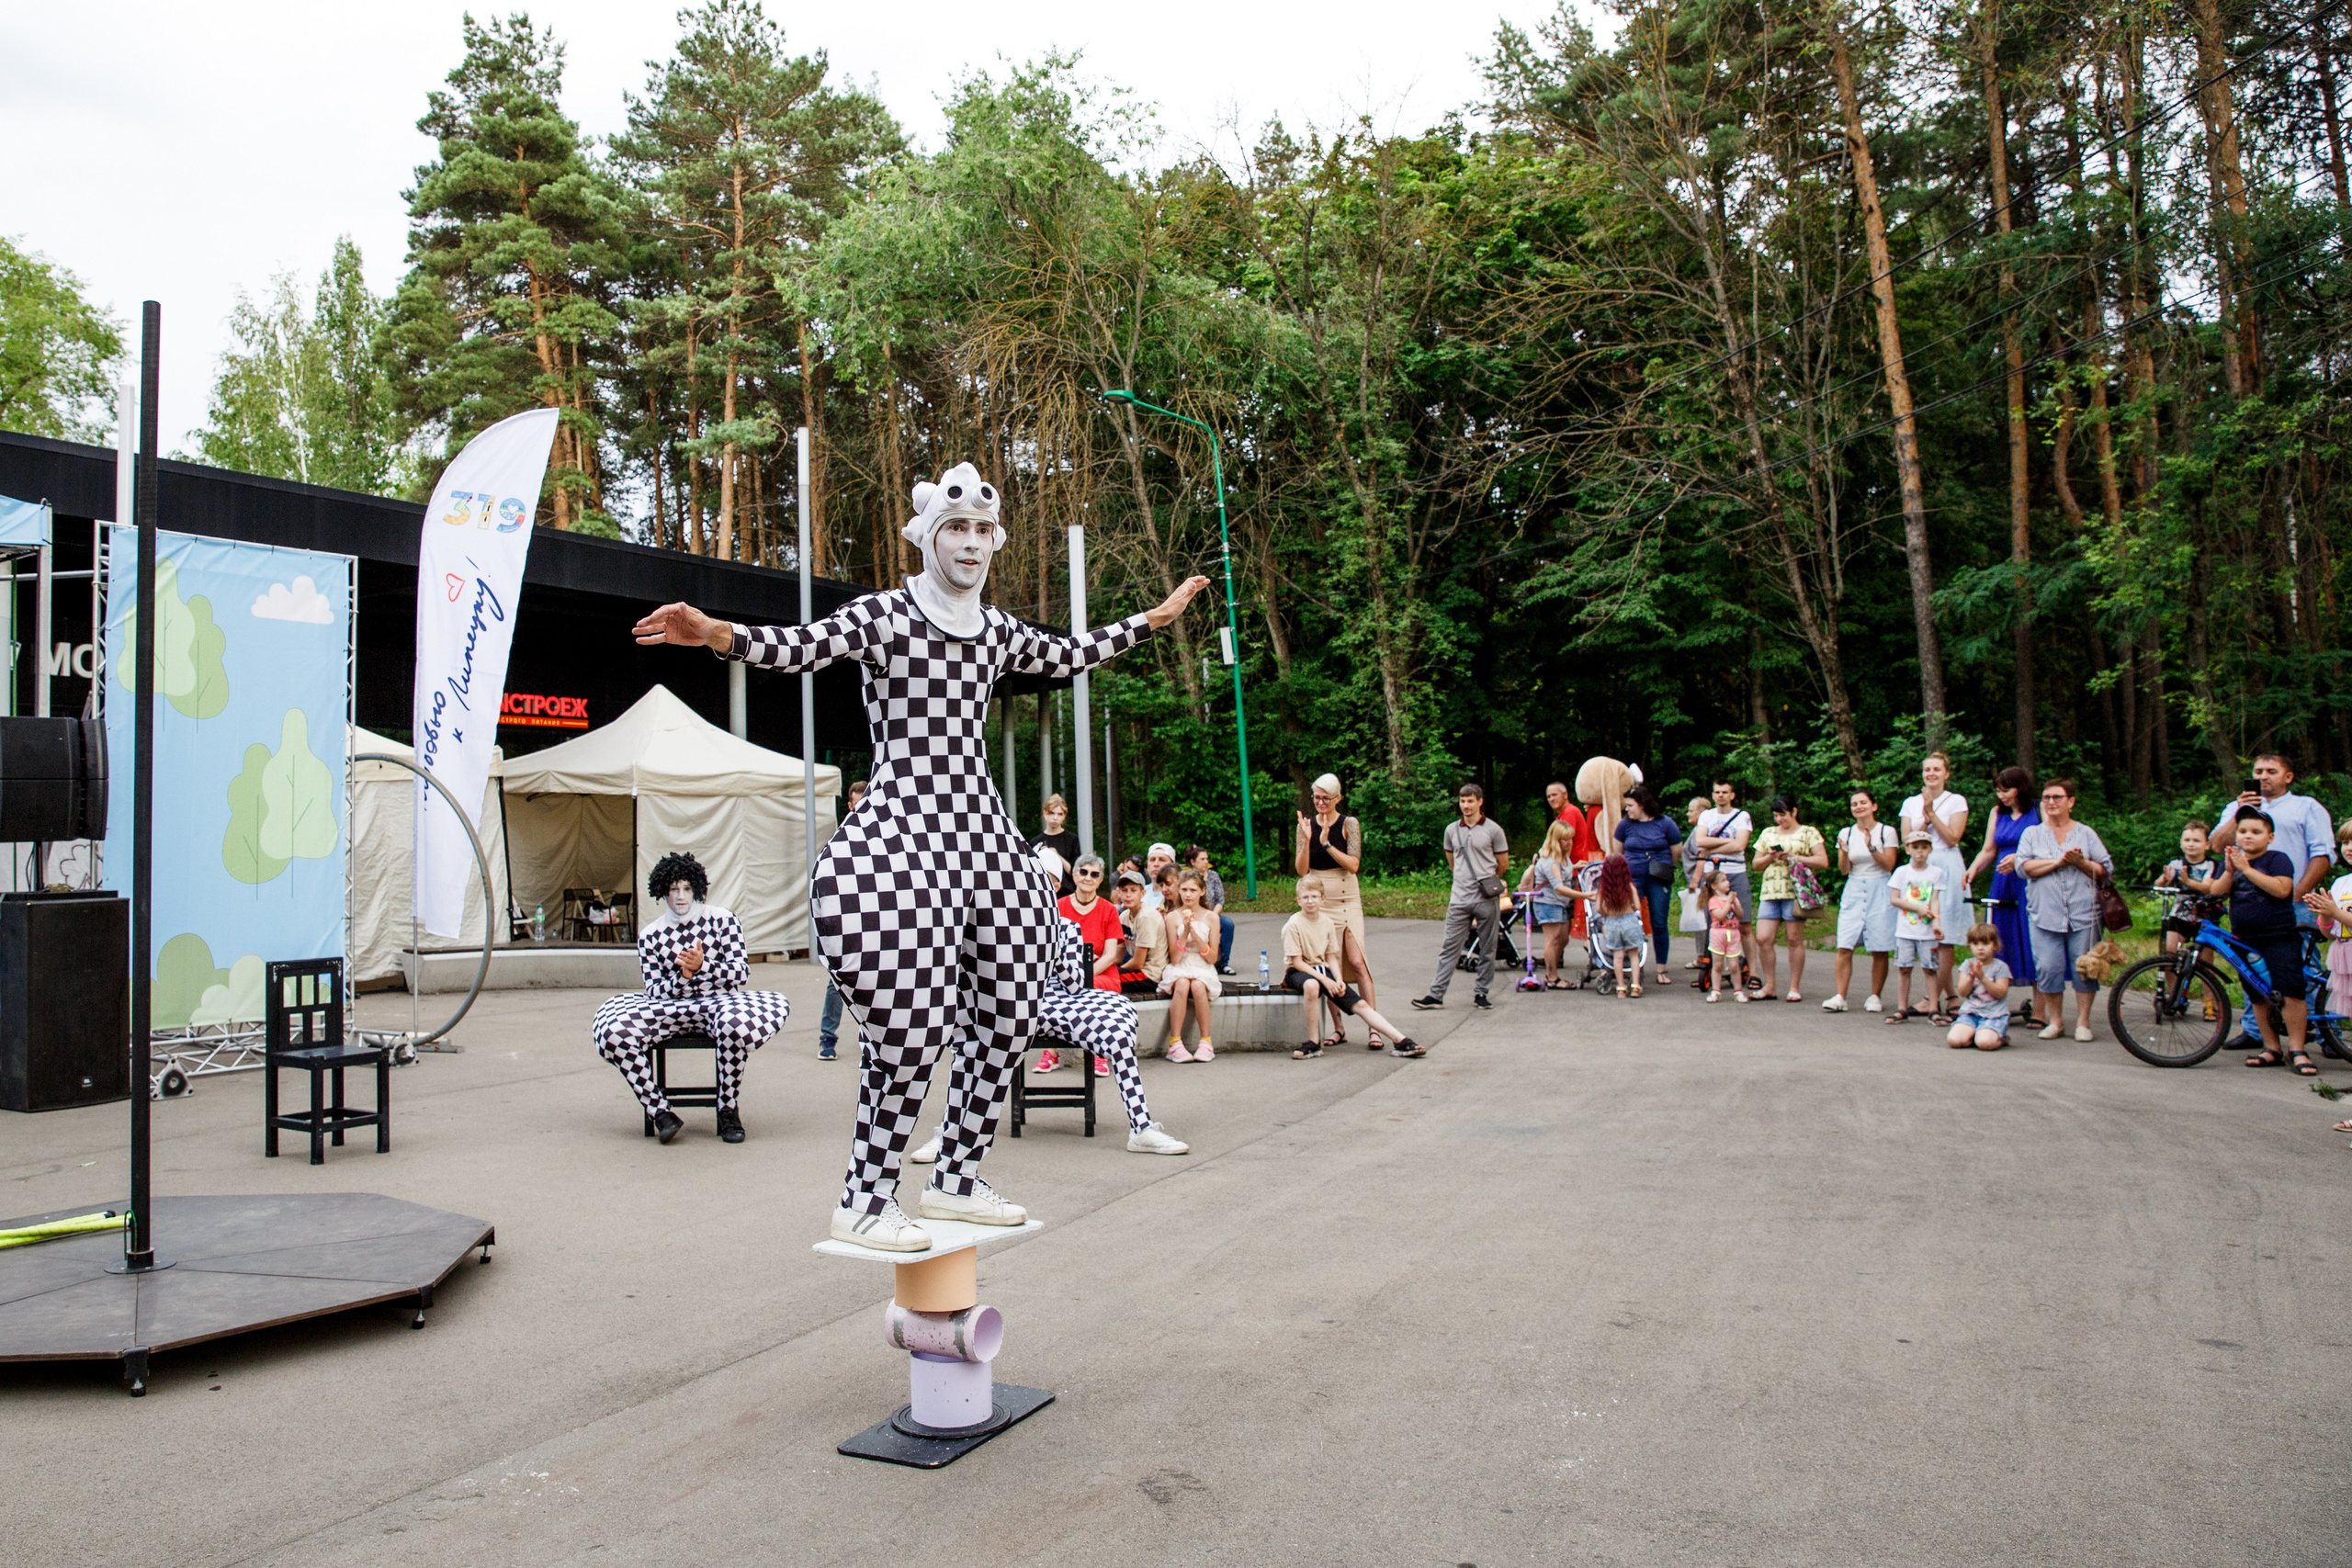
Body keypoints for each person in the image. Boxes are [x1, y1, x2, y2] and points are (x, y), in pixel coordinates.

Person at [633, 460, 1208, 1251]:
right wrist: (719, 635)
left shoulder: (999, 630)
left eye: (982, 531)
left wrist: (1156, 616)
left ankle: (956, 1176)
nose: (971, 544)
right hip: (903, 833)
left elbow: (1072, 651)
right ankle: (866, 1197)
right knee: (911, 1026)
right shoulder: (886, 615)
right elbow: (799, 647)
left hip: (978, 832)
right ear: (929, 536)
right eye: (956, 529)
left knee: (1011, 1008)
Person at [905, 916, 1191, 1161]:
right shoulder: (997, 927)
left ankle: (1141, 1127)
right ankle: (949, 1133)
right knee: (970, 1038)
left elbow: (1076, 984)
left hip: (1064, 1002)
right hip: (1011, 1001)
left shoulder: (1065, 927)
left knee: (1118, 1019)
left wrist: (1054, 949)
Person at [591, 852, 790, 1144]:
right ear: (663, 892)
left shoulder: (723, 921)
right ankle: (660, 1112)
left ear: (696, 888)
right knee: (614, 1032)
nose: (680, 896)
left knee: (734, 1026)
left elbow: (740, 974)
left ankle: (727, 1110)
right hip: (670, 1009)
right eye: (673, 889)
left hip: (719, 1004)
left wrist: (703, 966)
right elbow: (655, 991)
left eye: (686, 888)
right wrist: (683, 976)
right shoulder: (650, 935)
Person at [2200, 808, 2311, 1072]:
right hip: (2245, 939)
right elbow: (2216, 893)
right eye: (2243, 831)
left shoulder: (2277, 859)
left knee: (2290, 991)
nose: (2247, 836)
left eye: (2256, 832)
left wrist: (2245, 869)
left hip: (2279, 935)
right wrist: (2229, 872)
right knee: (2257, 994)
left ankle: (2298, 1049)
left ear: (2270, 837)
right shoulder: (2234, 862)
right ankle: (2271, 1048)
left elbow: (2282, 889)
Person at [2012, 779, 2115, 1043]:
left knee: (2085, 967)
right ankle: (2055, 1021)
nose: (2051, 802)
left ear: (2071, 801)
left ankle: (2083, 1022)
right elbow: (2023, 868)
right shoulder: (2032, 834)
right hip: (2043, 913)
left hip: (2084, 913)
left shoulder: (2086, 833)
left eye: (2057, 797)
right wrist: (2058, 861)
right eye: (2046, 797)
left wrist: (2081, 863)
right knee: (2048, 967)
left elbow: (2105, 870)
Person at [1283, 874, 1419, 1056]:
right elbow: (1297, 962)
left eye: (1314, 897)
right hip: (1299, 971)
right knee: (1312, 985)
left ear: (1323, 899)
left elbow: (1331, 956)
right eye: (1305, 897)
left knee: (1360, 1005)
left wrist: (1338, 979)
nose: (1310, 901)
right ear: (1298, 900)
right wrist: (1325, 980)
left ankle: (1401, 1040)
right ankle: (1313, 1042)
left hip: (1323, 970)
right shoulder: (1293, 924)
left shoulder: (1327, 923)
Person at [1411, 783, 1510, 1010]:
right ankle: (1436, 994)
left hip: (1485, 897)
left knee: (1488, 946)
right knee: (1449, 947)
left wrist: (1488, 880)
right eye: (1463, 801)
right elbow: (1452, 861)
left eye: (1470, 801)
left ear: (1479, 802)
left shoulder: (1493, 830)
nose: (1466, 806)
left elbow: (1502, 863)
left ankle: (1482, 993)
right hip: (1459, 897)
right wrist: (1463, 878)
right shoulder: (1451, 830)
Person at [1966, 767, 2041, 1024]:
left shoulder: (2037, 811)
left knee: (2032, 941)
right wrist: (1973, 869)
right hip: (2003, 881)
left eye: (2006, 789)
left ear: (2020, 787)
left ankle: (2040, 1011)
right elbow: (1989, 849)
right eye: (1998, 790)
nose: (2002, 795)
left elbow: (2048, 847)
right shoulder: (1997, 813)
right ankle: (1993, 1004)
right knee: (1999, 941)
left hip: (2029, 880)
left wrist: (2021, 858)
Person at [1296, 774, 1378, 1006]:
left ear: (1338, 798)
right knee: (1326, 965)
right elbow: (1302, 870)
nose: (1321, 803)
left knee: (1357, 961)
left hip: (1346, 899)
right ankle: (1338, 1028)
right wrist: (1306, 840)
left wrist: (1326, 844)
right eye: (1317, 798)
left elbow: (1353, 865)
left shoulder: (1348, 823)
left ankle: (1373, 1024)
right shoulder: (1305, 825)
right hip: (1319, 898)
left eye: (1326, 798)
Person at [1901, 752, 1973, 1011]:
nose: (1931, 774)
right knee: (1923, 932)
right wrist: (1924, 816)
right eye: (1927, 770)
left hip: (1947, 864)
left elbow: (1952, 837)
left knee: (1945, 933)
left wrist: (1932, 812)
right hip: (1921, 867)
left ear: (1946, 773)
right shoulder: (1910, 803)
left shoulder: (1956, 801)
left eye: (1936, 770)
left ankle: (1931, 998)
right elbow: (1908, 839)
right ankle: (1951, 996)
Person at [1041, 853, 1125, 1076]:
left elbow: (1110, 955)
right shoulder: (1059, 906)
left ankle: (1099, 1053)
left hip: (1101, 974)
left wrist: (1083, 976)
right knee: (1052, 991)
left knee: (1091, 989)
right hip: (1064, 974)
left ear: (1101, 879)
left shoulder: (1109, 910)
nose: (1088, 878)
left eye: (1095, 874)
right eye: (1084, 872)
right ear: (1075, 875)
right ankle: (1050, 1052)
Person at [1826, 788, 1899, 1013]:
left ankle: (1875, 996)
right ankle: (1840, 995)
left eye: (1863, 803)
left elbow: (1889, 865)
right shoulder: (1846, 833)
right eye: (1854, 804)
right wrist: (1845, 853)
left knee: (1879, 946)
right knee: (1844, 945)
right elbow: (1843, 870)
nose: (1858, 807)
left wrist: (1871, 847)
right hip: (1855, 888)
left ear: (1873, 806)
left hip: (1880, 887)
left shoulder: (1886, 831)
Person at [1751, 794, 1827, 1002]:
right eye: (1776, 816)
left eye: (1782, 815)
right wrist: (1771, 857)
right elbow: (1756, 864)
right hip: (1770, 891)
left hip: (1795, 891)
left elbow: (1822, 861)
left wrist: (1795, 858)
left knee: (1794, 939)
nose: (1779, 820)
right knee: (1763, 938)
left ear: (1794, 811)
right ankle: (1770, 985)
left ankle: (1794, 986)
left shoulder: (1808, 832)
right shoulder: (1768, 833)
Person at [815, 778, 868, 1060]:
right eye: (857, 806)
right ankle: (827, 1038)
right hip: (847, 919)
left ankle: (877, 1040)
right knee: (837, 980)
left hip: (876, 919)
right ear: (849, 806)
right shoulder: (838, 843)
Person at [1614, 784, 1683, 989]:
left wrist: (1666, 866)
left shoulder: (1665, 823)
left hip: (1658, 878)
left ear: (1643, 805)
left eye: (1630, 805)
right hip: (1632, 879)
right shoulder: (1625, 825)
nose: (1627, 809)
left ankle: (1661, 968)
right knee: (1629, 920)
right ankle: (1629, 965)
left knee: (1659, 922)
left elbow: (1676, 850)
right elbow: (1617, 852)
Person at [1691, 780, 1757, 982]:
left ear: (1732, 795)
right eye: (1717, 792)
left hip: (1735, 871)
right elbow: (1699, 841)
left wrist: (1711, 849)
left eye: (1725, 792)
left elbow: (1740, 845)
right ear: (1713, 795)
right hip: (1712, 874)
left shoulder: (1741, 816)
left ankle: (1753, 972)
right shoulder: (1706, 816)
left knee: (1743, 924)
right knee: (1713, 922)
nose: (1721, 795)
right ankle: (1714, 969)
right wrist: (1729, 842)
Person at [2301, 818, 2352, 1072]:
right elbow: (2330, 933)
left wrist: (2336, 911)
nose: (2349, 847)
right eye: (2345, 842)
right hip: (2343, 952)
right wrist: (2326, 915)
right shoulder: (2341, 883)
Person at [1159, 870, 1224, 1063]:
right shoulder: (1172, 917)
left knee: (1197, 985)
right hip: (1182, 963)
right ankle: (1175, 1042)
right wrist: (1184, 932)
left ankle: (1205, 1041)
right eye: (1184, 890)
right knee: (1182, 984)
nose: (1188, 895)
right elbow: (1176, 957)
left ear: (1202, 892)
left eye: (1193, 890)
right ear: (1178, 891)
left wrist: (1195, 935)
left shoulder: (1212, 918)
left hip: (1202, 964)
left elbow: (1212, 958)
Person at [1886, 829, 1950, 1023]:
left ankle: (1932, 1007)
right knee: (1904, 967)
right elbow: (1895, 899)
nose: (1920, 852)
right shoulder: (1902, 872)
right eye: (1915, 847)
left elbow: (1935, 900)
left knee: (1930, 968)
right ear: (1908, 849)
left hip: (1927, 931)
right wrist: (1917, 908)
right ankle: (1902, 1008)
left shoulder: (1936, 873)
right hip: (1906, 929)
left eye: (1924, 847)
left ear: (1930, 849)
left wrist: (1937, 922)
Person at [1520, 819, 1578, 988]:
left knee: (1563, 939)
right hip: (1547, 902)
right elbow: (1559, 887)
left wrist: (1577, 866)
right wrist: (1585, 895)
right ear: (1556, 841)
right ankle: (1552, 977)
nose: (1569, 843)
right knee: (1552, 940)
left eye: (1570, 839)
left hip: (1559, 904)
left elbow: (1565, 872)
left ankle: (1551, 971)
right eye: (1565, 840)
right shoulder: (1550, 861)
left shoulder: (1563, 857)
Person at [1581, 852, 1646, 998]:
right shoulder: (1629, 886)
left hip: (1612, 922)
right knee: (1634, 954)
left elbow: (1598, 909)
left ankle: (1621, 988)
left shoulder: (1603, 889)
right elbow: (1637, 905)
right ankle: (1635, 986)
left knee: (1618, 957)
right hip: (1629, 920)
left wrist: (1607, 913)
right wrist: (1631, 908)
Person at [2155, 820, 2223, 954]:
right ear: (2181, 843)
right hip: (2179, 914)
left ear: (2207, 845)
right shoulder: (2176, 863)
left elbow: (2207, 888)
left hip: (2205, 916)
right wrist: (2164, 879)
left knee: (2205, 958)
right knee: (2169, 952)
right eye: (2187, 840)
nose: (2191, 844)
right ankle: (2171, 974)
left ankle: (2205, 975)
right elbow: (2158, 886)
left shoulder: (2211, 865)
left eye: (2196, 841)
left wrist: (2187, 881)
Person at [1947, 922, 2015, 1050]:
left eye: (1985, 944)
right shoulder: (1968, 965)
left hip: (1994, 1014)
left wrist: (1982, 978)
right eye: (1975, 944)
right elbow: (1963, 992)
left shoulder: (2001, 967)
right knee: (1954, 1041)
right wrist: (1971, 977)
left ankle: (2000, 1038)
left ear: (1995, 945)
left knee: (1985, 1044)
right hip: (1970, 1012)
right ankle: (1973, 1035)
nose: (1980, 948)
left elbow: (2000, 993)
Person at [1113, 868, 1166, 991]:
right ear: (1118, 893)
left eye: (1133, 890)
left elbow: (1138, 962)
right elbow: (1118, 956)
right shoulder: (1124, 916)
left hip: (1151, 975)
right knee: (1098, 977)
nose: (1128, 895)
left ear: (1143, 893)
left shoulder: (1146, 916)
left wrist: (1113, 972)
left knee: (1107, 982)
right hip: (1136, 971)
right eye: (1124, 890)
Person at [1187, 844, 1237, 975]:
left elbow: (1220, 900)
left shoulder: (1213, 876)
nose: (1206, 862)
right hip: (1193, 914)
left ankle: (1224, 963)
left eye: (1206, 859)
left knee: (1228, 924)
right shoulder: (1188, 878)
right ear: (1193, 862)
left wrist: (1212, 916)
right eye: (1202, 859)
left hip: (1211, 914)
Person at [1701, 870, 1747, 1002]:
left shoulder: (1733, 898)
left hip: (1733, 934)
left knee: (1734, 965)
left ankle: (1738, 991)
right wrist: (1728, 903)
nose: (1728, 883)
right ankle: (1716, 990)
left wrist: (1735, 903)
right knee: (1718, 965)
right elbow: (1720, 916)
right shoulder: (1713, 901)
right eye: (1723, 880)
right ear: (1714, 886)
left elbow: (1740, 914)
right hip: (1718, 934)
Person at [1030, 794, 1080, 897]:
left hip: (1066, 892)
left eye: (1060, 814)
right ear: (1045, 813)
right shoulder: (1035, 841)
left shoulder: (1071, 839)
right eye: (1052, 813)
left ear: (1064, 816)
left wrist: (1056, 855)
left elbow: (1075, 871)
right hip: (1041, 891)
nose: (1055, 818)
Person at [1546, 778, 1600, 865]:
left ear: (1565, 795)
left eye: (1554, 795)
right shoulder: (1563, 815)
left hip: (1576, 867)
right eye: (1549, 796)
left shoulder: (1570, 812)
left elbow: (1558, 844)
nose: (1551, 799)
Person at [1142, 842, 1177, 909]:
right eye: (1152, 860)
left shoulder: (1177, 894)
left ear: (1172, 864)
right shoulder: (1141, 892)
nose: (1156, 864)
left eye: (1162, 860)